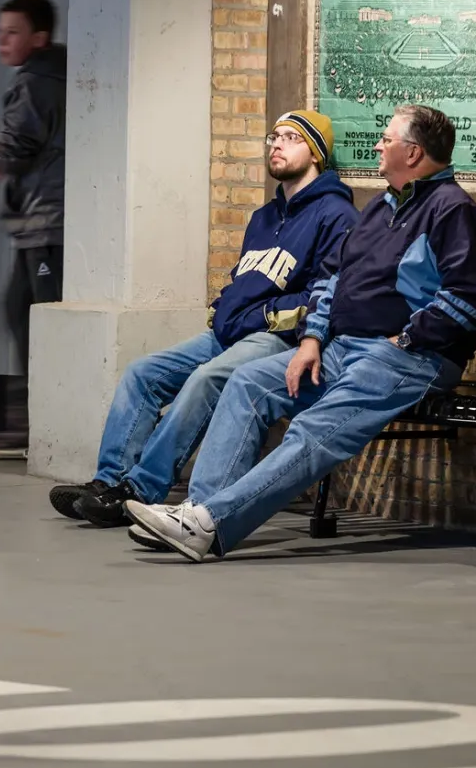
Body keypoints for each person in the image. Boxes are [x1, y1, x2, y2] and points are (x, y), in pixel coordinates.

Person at [124, 103, 476, 561]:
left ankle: (211, 525)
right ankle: (197, 513)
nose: (379, 145)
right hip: (343, 348)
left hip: (409, 358)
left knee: (313, 428)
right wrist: (312, 340)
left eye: (388, 138)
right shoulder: (380, 206)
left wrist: (407, 339)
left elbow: (466, 300)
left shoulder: (453, 210)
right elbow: (333, 279)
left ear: (413, 153)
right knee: (247, 384)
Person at [48, 110, 359, 526]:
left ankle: (140, 489)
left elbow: (326, 291)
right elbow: (245, 278)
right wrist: (226, 304)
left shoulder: (336, 215)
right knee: (143, 373)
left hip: (278, 339)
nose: (277, 144)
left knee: (206, 379)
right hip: (230, 332)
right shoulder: (264, 218)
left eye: (292, 138)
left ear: (317, 153)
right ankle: (110, 483)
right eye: (274, 137)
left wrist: (268, 315)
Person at [0, 0, 66, 384]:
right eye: (1, 32)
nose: (2, 40)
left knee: (36, 318)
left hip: (46, 221)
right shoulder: (59, 70)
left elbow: (16, 151)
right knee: (18, 310)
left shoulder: (35, 82)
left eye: (13, 32)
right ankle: (31, 413)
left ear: (39, 37)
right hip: (39, 222)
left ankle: (41, 414)